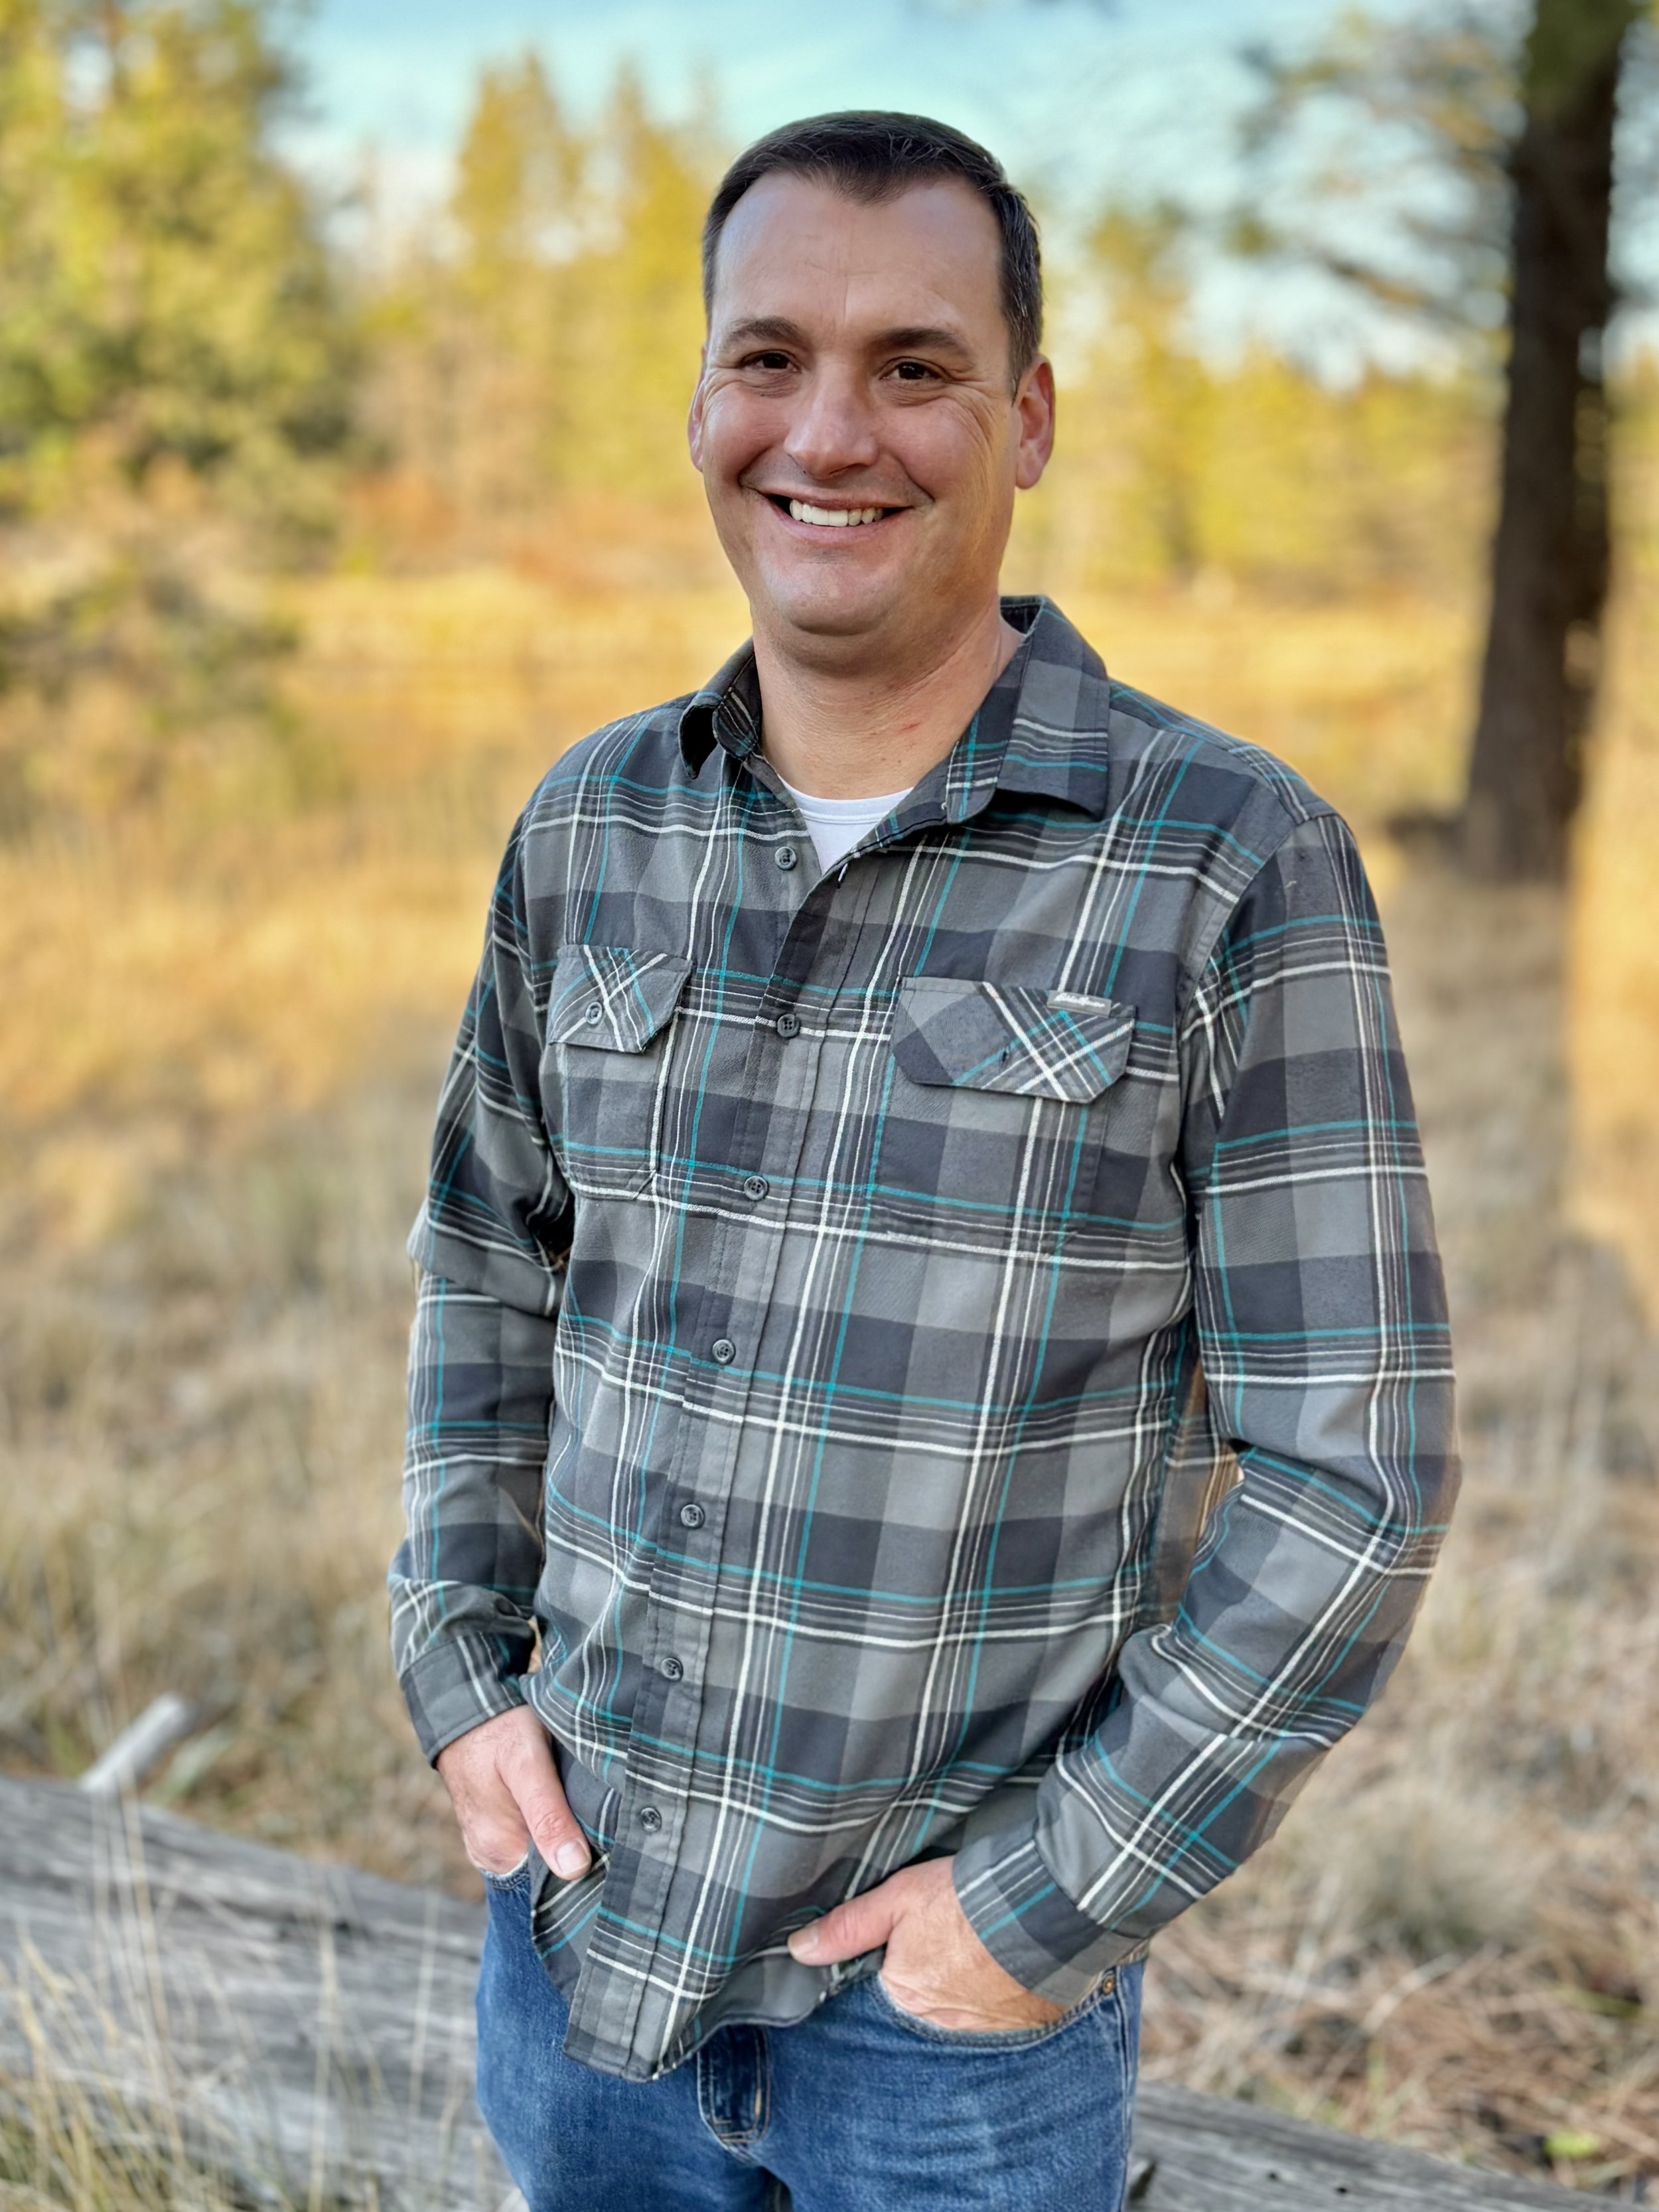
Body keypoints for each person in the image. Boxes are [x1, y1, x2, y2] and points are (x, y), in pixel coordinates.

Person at [389, 110, 1458, 2212]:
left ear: (1027, 416)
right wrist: (457, 1677)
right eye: (768, 357)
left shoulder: (1224, 861)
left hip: (941, 2053)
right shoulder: (589, 830)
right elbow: (480, 1276)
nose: (829, 431)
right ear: (699, 402)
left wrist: (1043, 1909)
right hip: (575, 1952)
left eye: (913, 367)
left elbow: (1356, 1469)